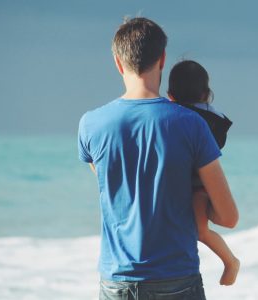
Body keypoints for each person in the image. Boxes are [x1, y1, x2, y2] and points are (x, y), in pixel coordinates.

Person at [77, 17, 239, 300]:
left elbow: (116, 189)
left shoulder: (91, 124)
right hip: (175, 279)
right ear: (162, 59)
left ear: (117, 62)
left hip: (117, 281)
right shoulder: (191, 124)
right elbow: (228, 217)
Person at [168, 60, 240, 286]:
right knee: (199, 230)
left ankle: (231, 261)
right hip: (200, 185)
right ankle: (230, 262)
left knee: (199, 230)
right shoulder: (213, 117)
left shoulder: (172, 116)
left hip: (198, 186)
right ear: (207, 93)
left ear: (170, 95)